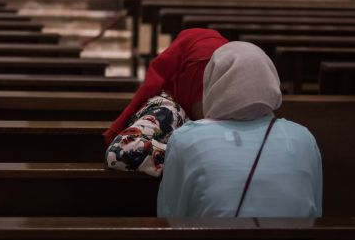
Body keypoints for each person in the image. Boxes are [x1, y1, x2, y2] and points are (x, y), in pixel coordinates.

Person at [157, 41, 322, 218]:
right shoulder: (303, 138)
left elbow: (170, 217)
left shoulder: (186, 139)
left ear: (213, 82)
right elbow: (315, 213)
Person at [104, 28, 229, 174]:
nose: (210, 93)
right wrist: (196, 155)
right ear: (187, 78)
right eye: (200, 85)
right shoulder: (166, 109)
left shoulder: (229, 107)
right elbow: (119, 154)